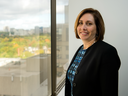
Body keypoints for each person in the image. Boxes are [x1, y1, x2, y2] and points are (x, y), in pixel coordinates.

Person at [65, 8, 121, 96]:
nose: (83, 27)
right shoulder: (81, 49)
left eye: (89, 24)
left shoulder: (107, 52)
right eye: (80, 23)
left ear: (98, 28)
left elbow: (109, 92)